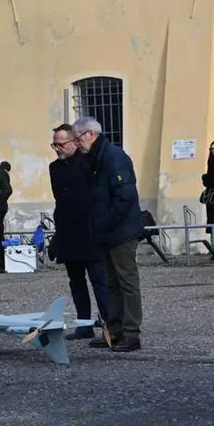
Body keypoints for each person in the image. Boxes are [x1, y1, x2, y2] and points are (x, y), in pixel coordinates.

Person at [72, 116, 145, 353]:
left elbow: (125, 197)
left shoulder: (113, 157)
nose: (76, 143)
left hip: (121, 231)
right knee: (111, 283)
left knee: (127, 282)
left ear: (90, 134)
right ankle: (114, 331)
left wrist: (106, 223)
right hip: (106, 231)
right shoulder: (93, 158)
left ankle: (131, 334)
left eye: (77, 137)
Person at [48, 124, 109, 342]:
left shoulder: (87, 163)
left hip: (89, 230)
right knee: (76, 282)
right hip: (67, 230)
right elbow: (60, 200)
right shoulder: (54, 168)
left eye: (61, 144)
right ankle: (84, 324)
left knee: (99, 281)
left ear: (74, 142)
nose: (57, 148)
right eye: (54, 144)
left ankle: (108, 325)